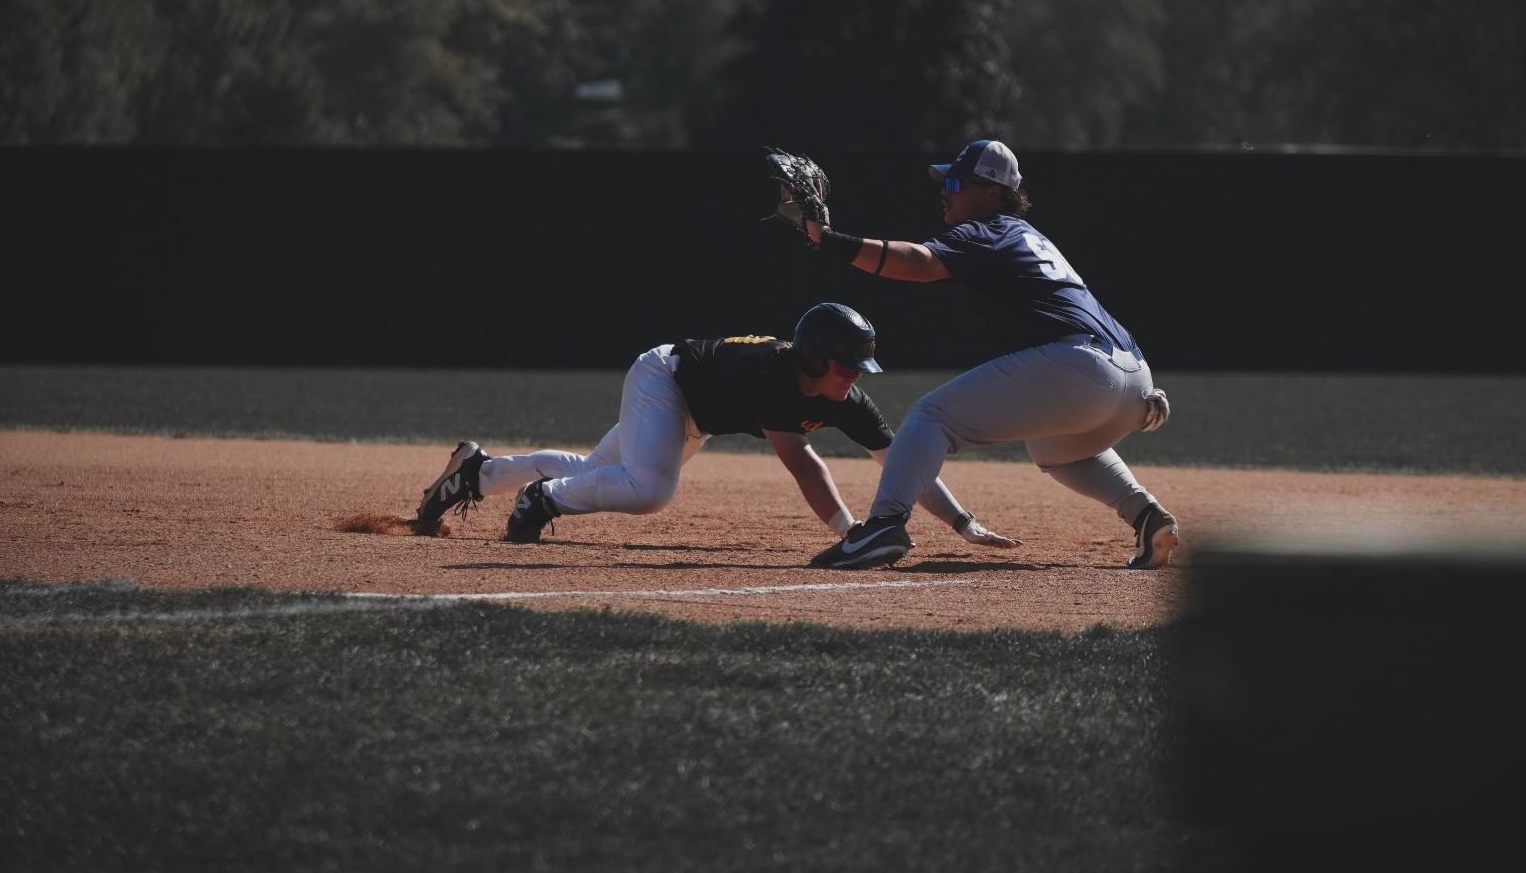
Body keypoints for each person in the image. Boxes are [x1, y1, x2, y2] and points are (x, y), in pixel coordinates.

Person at [795, 139, 1176, 571]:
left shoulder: (991, 229)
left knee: (929, 418)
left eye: (956, 181)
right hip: (1133, 377)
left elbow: (918, 264)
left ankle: (884, 525)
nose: (945, 190)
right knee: (1053, 448)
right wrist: (1130, 383)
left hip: (1081, 368)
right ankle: (1147, 516)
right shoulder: (1030, 237)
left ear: (992, 193)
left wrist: (827, 238)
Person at [412, 302, 1016, 550]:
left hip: (692, 406)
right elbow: (805, 463)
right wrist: (851, 530)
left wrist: (965, 524)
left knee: (605, 474)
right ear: (810, 358)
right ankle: (540, 500)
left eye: (859, 367)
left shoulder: (844, 396)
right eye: (844, 364)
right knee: (649, 490)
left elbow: (901, 463)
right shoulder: (772, 378)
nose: (853, 377)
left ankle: (479, 471)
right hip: (664, 379)